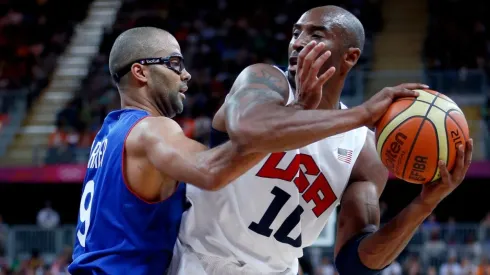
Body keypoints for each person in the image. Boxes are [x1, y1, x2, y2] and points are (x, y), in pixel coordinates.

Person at [170, 5, 473, 275]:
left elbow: (354, 263)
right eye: (295, 33)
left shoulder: (364, 152)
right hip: (201, 260)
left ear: (350, 57)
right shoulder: (265, 81)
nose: (298, 42)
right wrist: (360, 114)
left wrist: (423, 205)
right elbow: (249, 130)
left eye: (316, 34)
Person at [68, 27, 274, 274]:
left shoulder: (108, 134)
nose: (186, 74)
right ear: (140, 72)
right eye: (175, 63)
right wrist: (277, 130)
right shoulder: (151, 129)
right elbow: (211, 170)